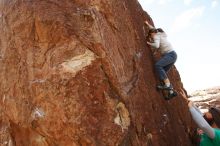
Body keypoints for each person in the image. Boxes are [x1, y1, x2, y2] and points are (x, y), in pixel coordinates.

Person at [144, 20, 177, 95]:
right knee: (162, 72)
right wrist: (148, 24)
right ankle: (171, 92)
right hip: (173, 55)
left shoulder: (155, 35)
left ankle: (168, 86)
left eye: (150, 35)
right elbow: (153, 29)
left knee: (158, 65)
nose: (151, 37)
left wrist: (148, 43)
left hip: (170, 55)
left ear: (152, 33)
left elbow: (156, 45)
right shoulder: (160, 33)